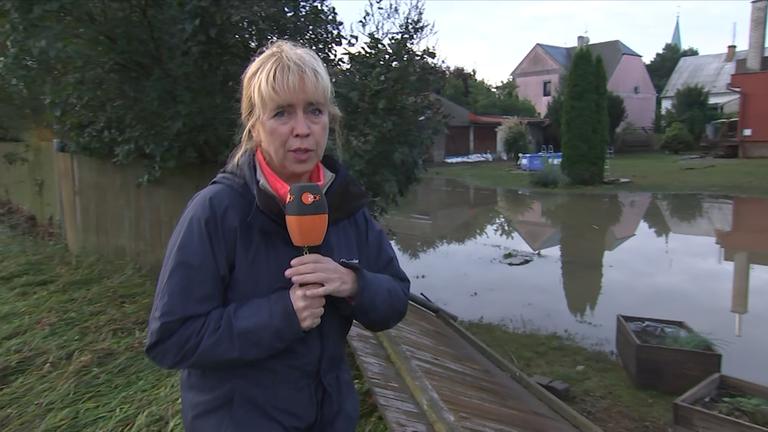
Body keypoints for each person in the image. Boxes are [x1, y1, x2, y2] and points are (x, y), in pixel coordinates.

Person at [144, 40, 410, 431]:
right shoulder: (218, 211)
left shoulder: (345, 204)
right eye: (282, 113)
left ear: (329, 119)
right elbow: (171, 339)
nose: (302, 129)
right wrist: (283, 314)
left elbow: (395, 299)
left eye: (314, 111)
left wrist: (354, 283)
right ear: (255, 126)